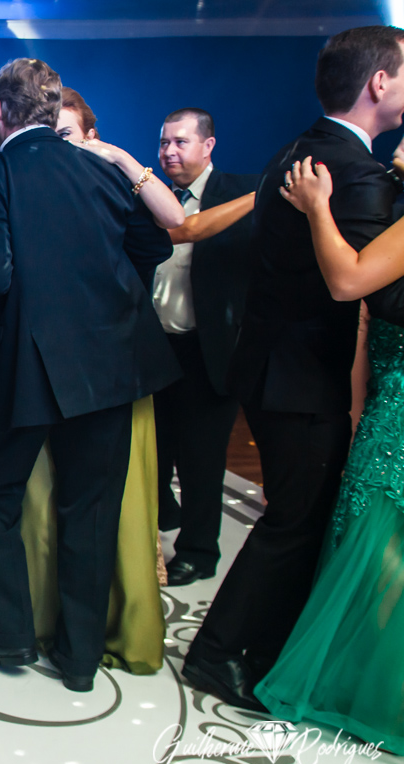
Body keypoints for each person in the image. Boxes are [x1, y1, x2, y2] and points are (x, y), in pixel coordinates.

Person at [0, 57, 179, 693]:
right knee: (90, 509)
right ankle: (78, 660)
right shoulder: (98, 169)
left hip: (25, 368)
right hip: (109, 365)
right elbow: (153, 247)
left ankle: (12, 633)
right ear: (49, 110)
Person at [186, 25, 404, 712]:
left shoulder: (298, 148)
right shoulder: (355, 171)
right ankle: (219, 654)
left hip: (270, 364)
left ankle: (258, 645)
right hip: (303, 376)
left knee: (298, 515)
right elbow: (376, 288)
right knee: (296, 520)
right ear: (379, 83)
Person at [251, 157, 404, 754]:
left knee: (379, 543)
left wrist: (317, 208)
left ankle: (372, 690)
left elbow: (347, 283)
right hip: (385, 399)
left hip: (397, 411)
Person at [151, 108, 258, 587]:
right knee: (152, 453)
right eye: (164, 143)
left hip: (208, 350)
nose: (169, 152)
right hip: (155, 351)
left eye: (180, 142)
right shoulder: (154, 199)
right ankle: (156, 526)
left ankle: (198, 551)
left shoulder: (241, 194)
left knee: (201, 459)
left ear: (208, 145)